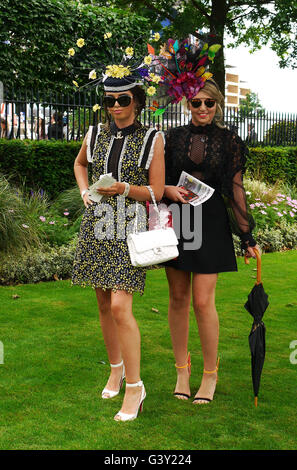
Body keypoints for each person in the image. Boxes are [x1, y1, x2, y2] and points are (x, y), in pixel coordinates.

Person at [156, 38, 260, 405]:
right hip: (179, 221)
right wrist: (167, 189)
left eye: (209, 103)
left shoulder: (230, 142)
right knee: (178, 297)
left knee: (203, 301)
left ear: (218, 105)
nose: (202, 108)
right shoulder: (172, 138)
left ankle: (210, 375)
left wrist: (247, 236)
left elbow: (236, 190)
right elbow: (159, 182)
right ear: (188, 102)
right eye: (196, 102)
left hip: (212, 224)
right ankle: (181, 371)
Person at [71, 45, 165, 421]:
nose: (115, 106)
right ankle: (115, 367)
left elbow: (156, 192)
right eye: (109, 100)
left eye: (122, 99)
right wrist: (84, 191)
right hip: (97, 224)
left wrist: (124, 188)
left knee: (120, 306)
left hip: (128, 225)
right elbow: (80, 164)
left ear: (137, 101)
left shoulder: (152, 138)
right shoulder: (95, 133)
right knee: (102, 304)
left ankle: (136, 387)